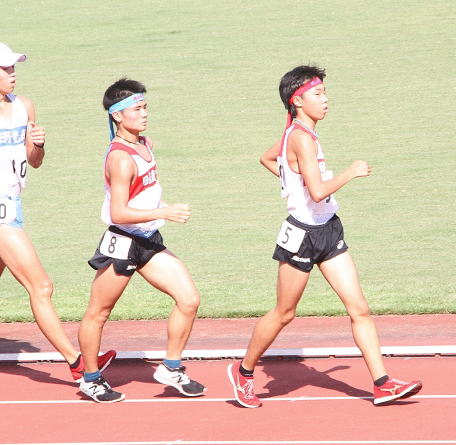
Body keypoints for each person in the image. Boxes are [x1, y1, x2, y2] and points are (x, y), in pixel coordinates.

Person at [227, 65, 422, 408]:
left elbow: (268, 158)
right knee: (285, 313)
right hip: (302, 236)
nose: (325, 99)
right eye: (318, 94)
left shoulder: (302, 133)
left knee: (359, 308)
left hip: (329, 230)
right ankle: (243, 372)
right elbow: (317, 192)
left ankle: (382, 384)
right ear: (297, 101)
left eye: (325, 93)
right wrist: (350, 173)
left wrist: (291, 180)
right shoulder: (300, 137)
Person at [77, 78, 203, 403]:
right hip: (122, 242)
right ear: (118, 115)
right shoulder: (120, 158)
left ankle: (171, 368)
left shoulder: (144, 143)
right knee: (99, 313)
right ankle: (90, 379)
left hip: (147, 239)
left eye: (145, 107)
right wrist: (164, 211)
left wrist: (157, 213)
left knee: (188, 299)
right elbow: (118, 212)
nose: (145, 113)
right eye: (137, 109)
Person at [0, 42, 115, 383]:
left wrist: (37, 144)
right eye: (5, 68)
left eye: (13, 66)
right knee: (41, 286)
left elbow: (34, 162)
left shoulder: (25, 106)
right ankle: (78, 362)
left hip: (14, 203)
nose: (12, 73)